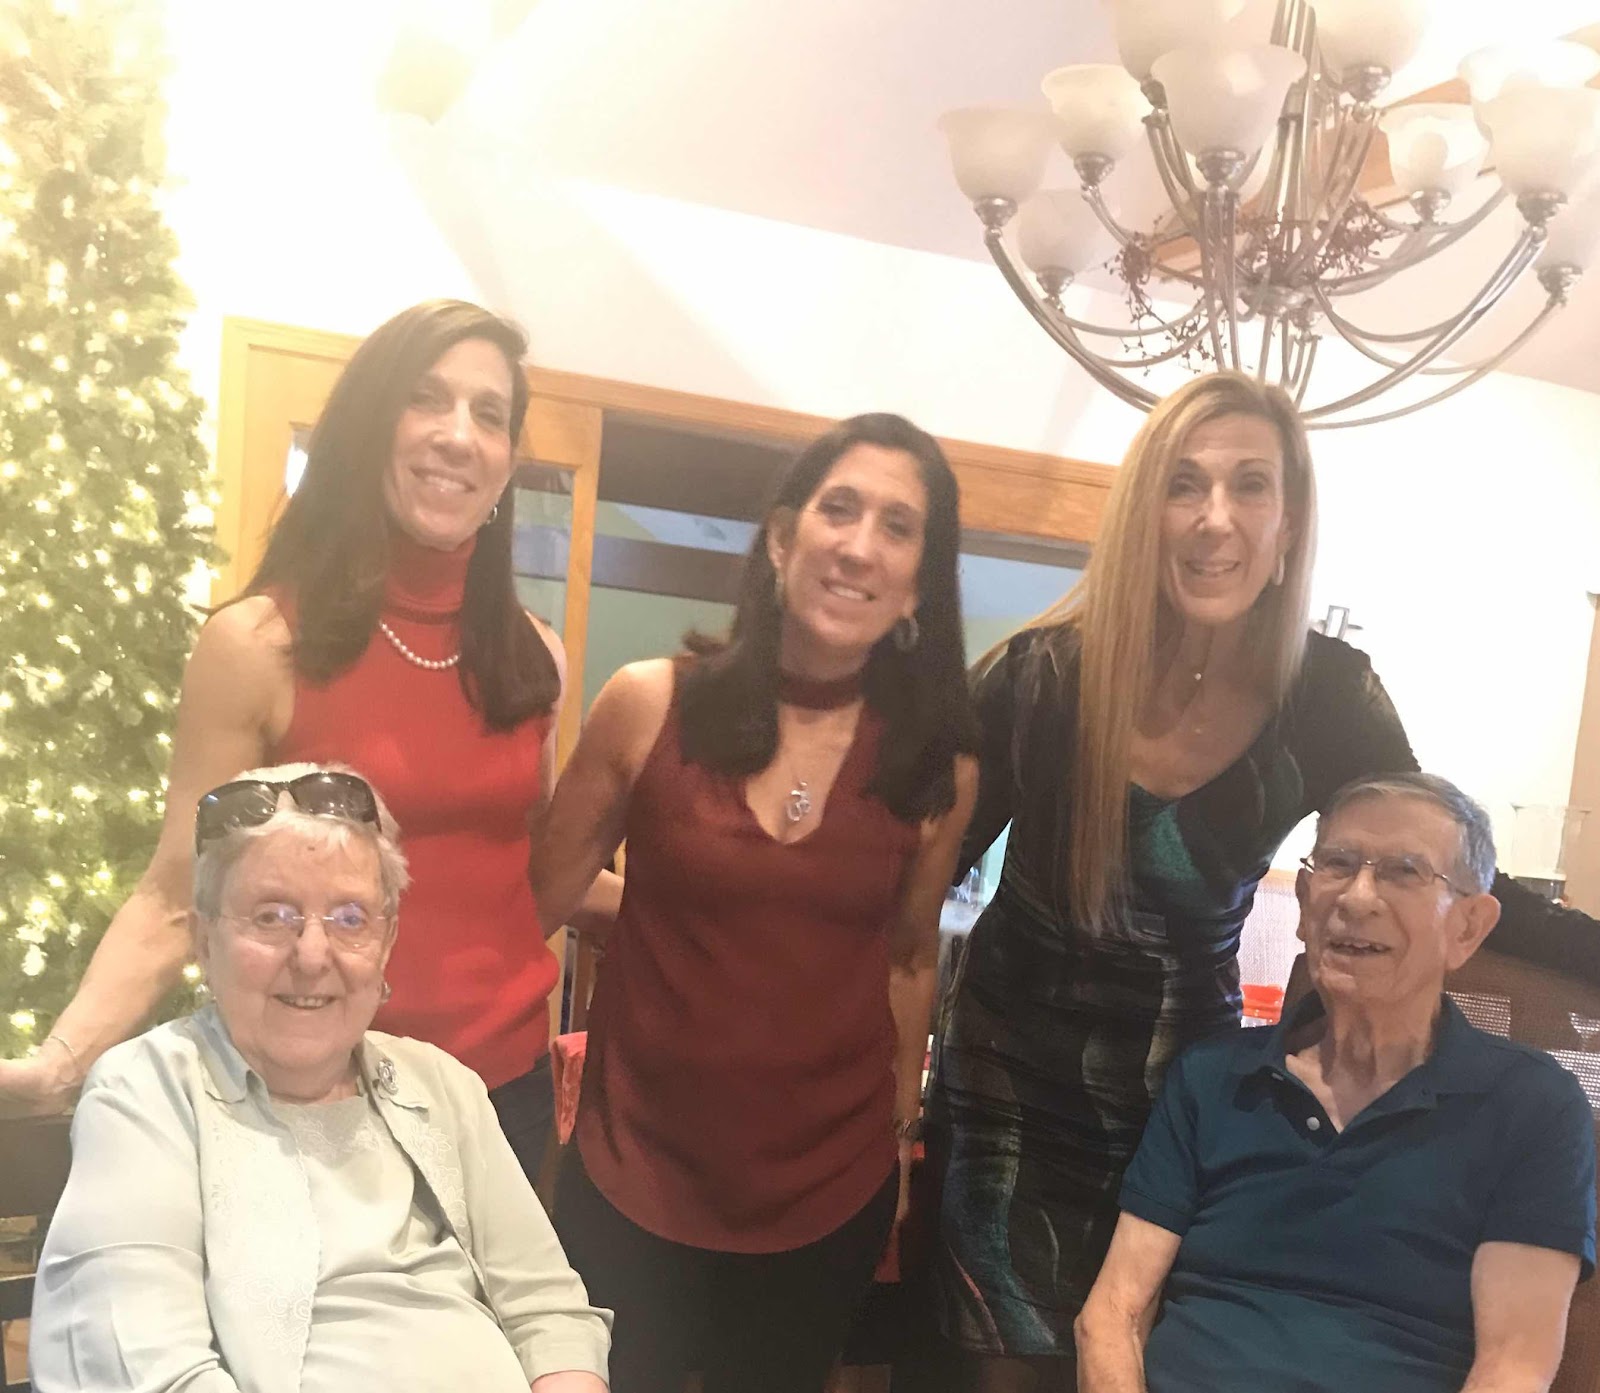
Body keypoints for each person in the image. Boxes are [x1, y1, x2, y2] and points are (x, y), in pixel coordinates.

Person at [923, 370, 1600, 1390]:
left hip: (1181, 1098)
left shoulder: (1327, 695)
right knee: (1008, 1373)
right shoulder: (1041, 678)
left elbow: (1424, 863)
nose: (1215, 518)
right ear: (1144, 515)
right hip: (1006, 1096)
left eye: (1249, 485)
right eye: (1183, 484)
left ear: (1287, 525)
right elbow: (909, 875)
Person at [0, 299, 612, 1178]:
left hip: (498, 1099)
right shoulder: (257, 644)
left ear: (507, 461)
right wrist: (61, 1060)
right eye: (425, 398)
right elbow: (175, 892)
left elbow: (528, 870)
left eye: (489, 414)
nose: (457, 434)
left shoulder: (534, 658)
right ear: (368, 426)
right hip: (312, 1098)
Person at [530, 413, 980, 1393]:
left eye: (898, 526)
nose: (859, 544)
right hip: (633, 1178)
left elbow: (908, 957)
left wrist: (899, 1139)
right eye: (839, 508)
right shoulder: (647, 703)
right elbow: (546, 892)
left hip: (828, 1198)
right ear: (782, 538)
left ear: (918, 583)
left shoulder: (935, 770)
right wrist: (664, 925)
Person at [29, 763, 612, 1393]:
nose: (312, 955)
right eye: (271, 916)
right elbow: (144, 1370)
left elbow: (547, 1312)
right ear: (205, 941)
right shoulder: (147, 1093)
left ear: (386, 941)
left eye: (350, 918)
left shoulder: (443, 1086)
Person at [1077, 771, 1596, 1392]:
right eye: (1338, 864)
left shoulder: (1534, 1107)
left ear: (1467, 928)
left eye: (1404, 871)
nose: (1357, 897)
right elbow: (1111, 1316)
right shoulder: (1211, 1078)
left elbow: (1514, 1366)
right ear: (1303, 900)